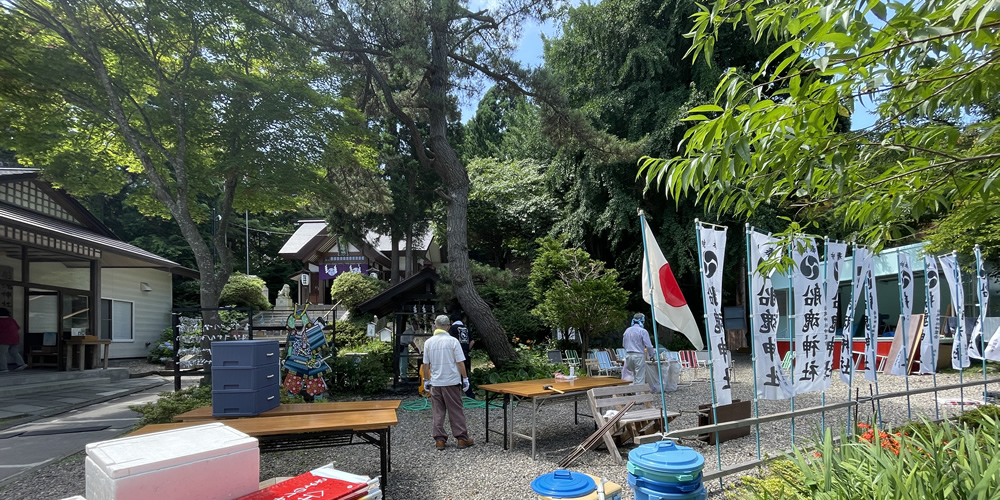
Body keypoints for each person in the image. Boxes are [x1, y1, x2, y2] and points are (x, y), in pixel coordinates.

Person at [422, 314, 473, 450]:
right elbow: (460, 362)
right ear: (448, 327)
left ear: (435, 325)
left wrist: (426, 380)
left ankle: (440, 440)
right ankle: (462, 438)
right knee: (455, 410)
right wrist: (465, 378)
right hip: (451, 381)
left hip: (436, 382)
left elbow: (426, 364)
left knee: (438, 412)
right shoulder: (453, 341)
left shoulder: (428, 342)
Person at [622, 312, 654, 386]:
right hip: (638, 355)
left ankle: (632, 391)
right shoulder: (643, 331)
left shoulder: (627, 330)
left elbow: (624, 344)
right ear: (642, 321)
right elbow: (649, 346)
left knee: (633, 375)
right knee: (639, 377)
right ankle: (638, 395)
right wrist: (652, 355)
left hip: (628, 355)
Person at [448, 311, 475, 397]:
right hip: (465, 353)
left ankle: (454, 394)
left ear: (451, 321)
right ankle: (469, 394)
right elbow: (472, 341)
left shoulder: (452, 328)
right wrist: (467, 349)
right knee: (465, 373)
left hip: (455, 354)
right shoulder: (466, 328)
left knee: (454, 373)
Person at [0, 307, 27, 372]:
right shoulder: (11, 320)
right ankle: (21, 364)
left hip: (4, 339)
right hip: (15, 338)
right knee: (14, 352)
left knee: (2, 354)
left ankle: (3, 368)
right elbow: (18, 328)